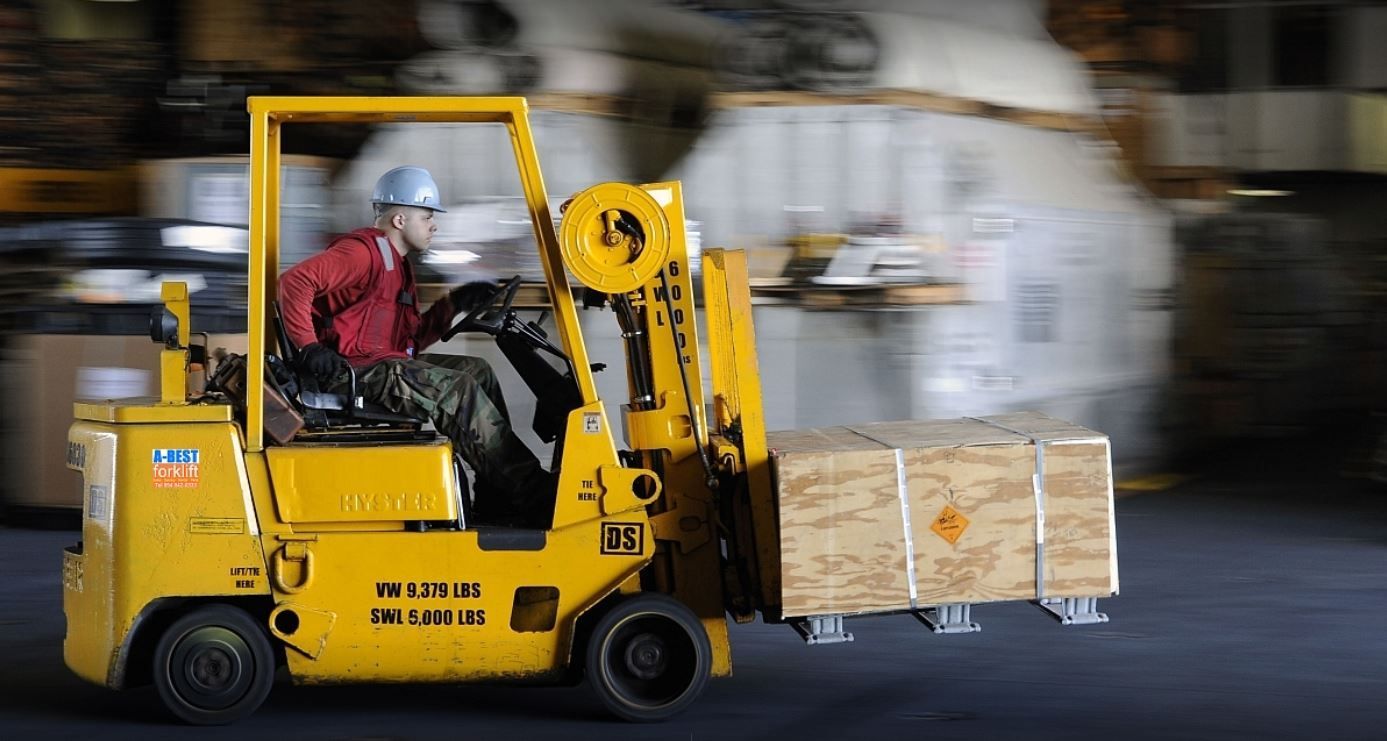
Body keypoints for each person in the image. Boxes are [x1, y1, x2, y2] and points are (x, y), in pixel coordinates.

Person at [278, 165, 553, 525]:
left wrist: (453, 305)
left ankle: (498, 492)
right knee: (456, 390)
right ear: (400, 219)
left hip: (377, 364)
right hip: (349, 372)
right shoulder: (361, 255)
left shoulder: (399, 266)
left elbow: (406, 344)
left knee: (476, 371)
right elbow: (293, 283)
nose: (433, 225)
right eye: (427, 217)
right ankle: (534, 494)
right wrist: (309, 347)